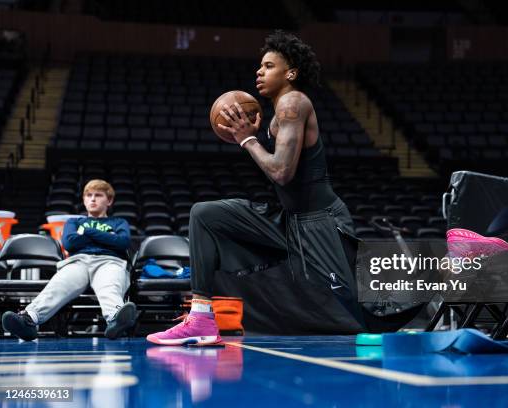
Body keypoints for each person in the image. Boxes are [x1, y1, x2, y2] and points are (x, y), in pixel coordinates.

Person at [147, 30, 411, 346]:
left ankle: (430, 297)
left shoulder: (293, 103)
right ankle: (201, 318)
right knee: (205, 215)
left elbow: (282, 173)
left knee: (360, 317)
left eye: (269, 65)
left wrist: (248, 140)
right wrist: (251, 138)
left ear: (291, 73)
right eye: (260, 66)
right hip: (289, 219)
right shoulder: (275, 117)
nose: (259, 71)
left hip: (320, 220)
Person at [1, 179, 136, 341]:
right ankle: (29, 320)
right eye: (89, 195)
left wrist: (87, 233)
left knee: (109, 286)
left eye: (98, 195)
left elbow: (122, 242)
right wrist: (108, 238)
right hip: (78, 261)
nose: (92, 199)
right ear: (84, 200)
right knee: (57, 286)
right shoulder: (74, 221)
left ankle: (115, 319)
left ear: (109, 200)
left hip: (109, 261)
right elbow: (70, 242)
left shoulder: (118, 222)